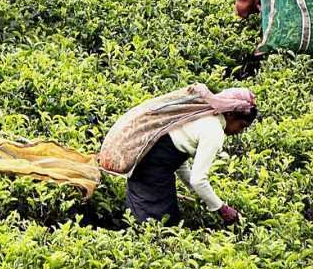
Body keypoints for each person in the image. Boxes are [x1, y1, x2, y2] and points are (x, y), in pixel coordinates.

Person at [98, 84, 258, 226]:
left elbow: (178, 160)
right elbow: (199, 179)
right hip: (152, 168)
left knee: (152, 217)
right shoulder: (214, 130)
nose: (239, 132)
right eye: (241, 125)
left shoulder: (202, 115)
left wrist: (199, 194)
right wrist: (222, 208)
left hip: (147, 162)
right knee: (158, 223)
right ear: (230, 115)